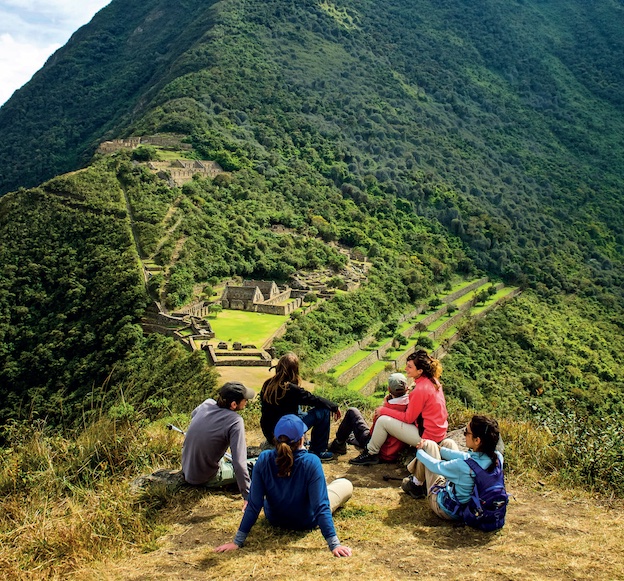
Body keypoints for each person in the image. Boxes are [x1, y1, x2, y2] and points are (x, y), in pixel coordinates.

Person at [215, 414, 353, 557]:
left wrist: (237, 541)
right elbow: (320, 506)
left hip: (275, 518)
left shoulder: (263, 459)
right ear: (302, 439)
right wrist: (334, 544)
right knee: (344, 484)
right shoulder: (311, 462)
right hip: (305, 521)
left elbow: (254, 504)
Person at [350, 349, 452, 466]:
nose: (405, 369)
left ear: (420, 371)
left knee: (383, 421)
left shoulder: (420, 390)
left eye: (409, 367)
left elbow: (408, 418)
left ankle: (371, 453)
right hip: (438, 432)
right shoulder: (433, 381)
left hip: (426, 436)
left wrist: (384, 410)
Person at [407, 415, 504, 523]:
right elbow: (468, 458)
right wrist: (440, 450)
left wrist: (420, 450)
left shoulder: (462, 466)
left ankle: (415, 484)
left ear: (477, 440)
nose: (464, 435)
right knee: (448, 443)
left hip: (447, 510)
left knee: (429, 445)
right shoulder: (497, 457)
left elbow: (435, 466)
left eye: (466, 432)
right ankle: (416, 482)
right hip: (469, 507)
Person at [181, 381, 256, 507]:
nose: (246, 402)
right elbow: (239, 463)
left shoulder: (207, 404)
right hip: (206, 477)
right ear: (233, 404)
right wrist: (247, 495)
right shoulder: (235, 421)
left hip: (187, 468)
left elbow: (193, 415)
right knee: (255, 464)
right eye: (245, 400)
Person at [260, 352, 341, 461]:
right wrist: (334, 407)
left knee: (297, 407)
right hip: (286, 431)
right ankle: (318, 450)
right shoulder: (292, 389)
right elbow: (315, 400)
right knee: (323, 411)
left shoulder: (267, 385)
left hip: (270, 432)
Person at [328, 373, 410, 462]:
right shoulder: (411, 406)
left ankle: (339, 443)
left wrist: (385, 404)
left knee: (352, 412)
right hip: (396, 449)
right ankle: (351, 438)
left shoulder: (384, 411)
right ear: (407, 389)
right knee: (355, 433)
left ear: (389, 389)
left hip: (377, 447)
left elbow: (373, 432)